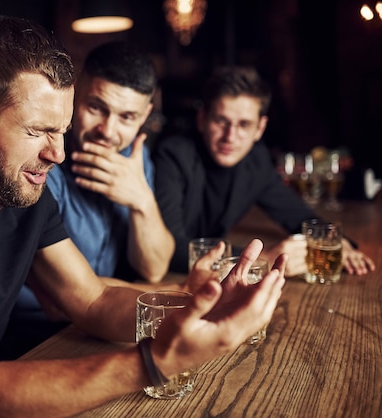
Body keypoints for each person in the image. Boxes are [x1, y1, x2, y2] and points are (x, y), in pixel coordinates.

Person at [0, 16, 286, 418]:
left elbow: (92, 302)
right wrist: (153, 361)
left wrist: (200, 306)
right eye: (38, 131)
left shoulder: (26, 198)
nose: (58, 153)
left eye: (62, 131)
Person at [0, 41, 175, 359]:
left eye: (127, 117)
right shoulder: (40, 163)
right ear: (76, 93)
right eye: (96, 108)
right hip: (31, 342)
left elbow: (153, 267)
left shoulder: (133, 157)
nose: (108, 130)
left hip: (103, 328)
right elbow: (61, 301)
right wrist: (178, 297)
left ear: (145, 115)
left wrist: (142, 201)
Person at [152, 65, 376, 276]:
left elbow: (297, 214)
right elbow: (169, 249)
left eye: (244, 124)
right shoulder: (173, 154)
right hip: (163, 282)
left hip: (212, 278)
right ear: (202, 119)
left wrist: (337, 242)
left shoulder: (256, 160)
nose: (230, 136)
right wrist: (261, 260)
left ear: (260, 128)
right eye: (221, 121)